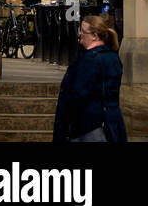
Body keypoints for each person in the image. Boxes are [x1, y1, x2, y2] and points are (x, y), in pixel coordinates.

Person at [53, 14, 127, 143]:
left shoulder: (90, 60)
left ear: (95, 35)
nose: (80, 33)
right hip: (112, 124)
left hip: (88, 127)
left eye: (83, 30)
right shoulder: (113, 58)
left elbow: (78, 95)